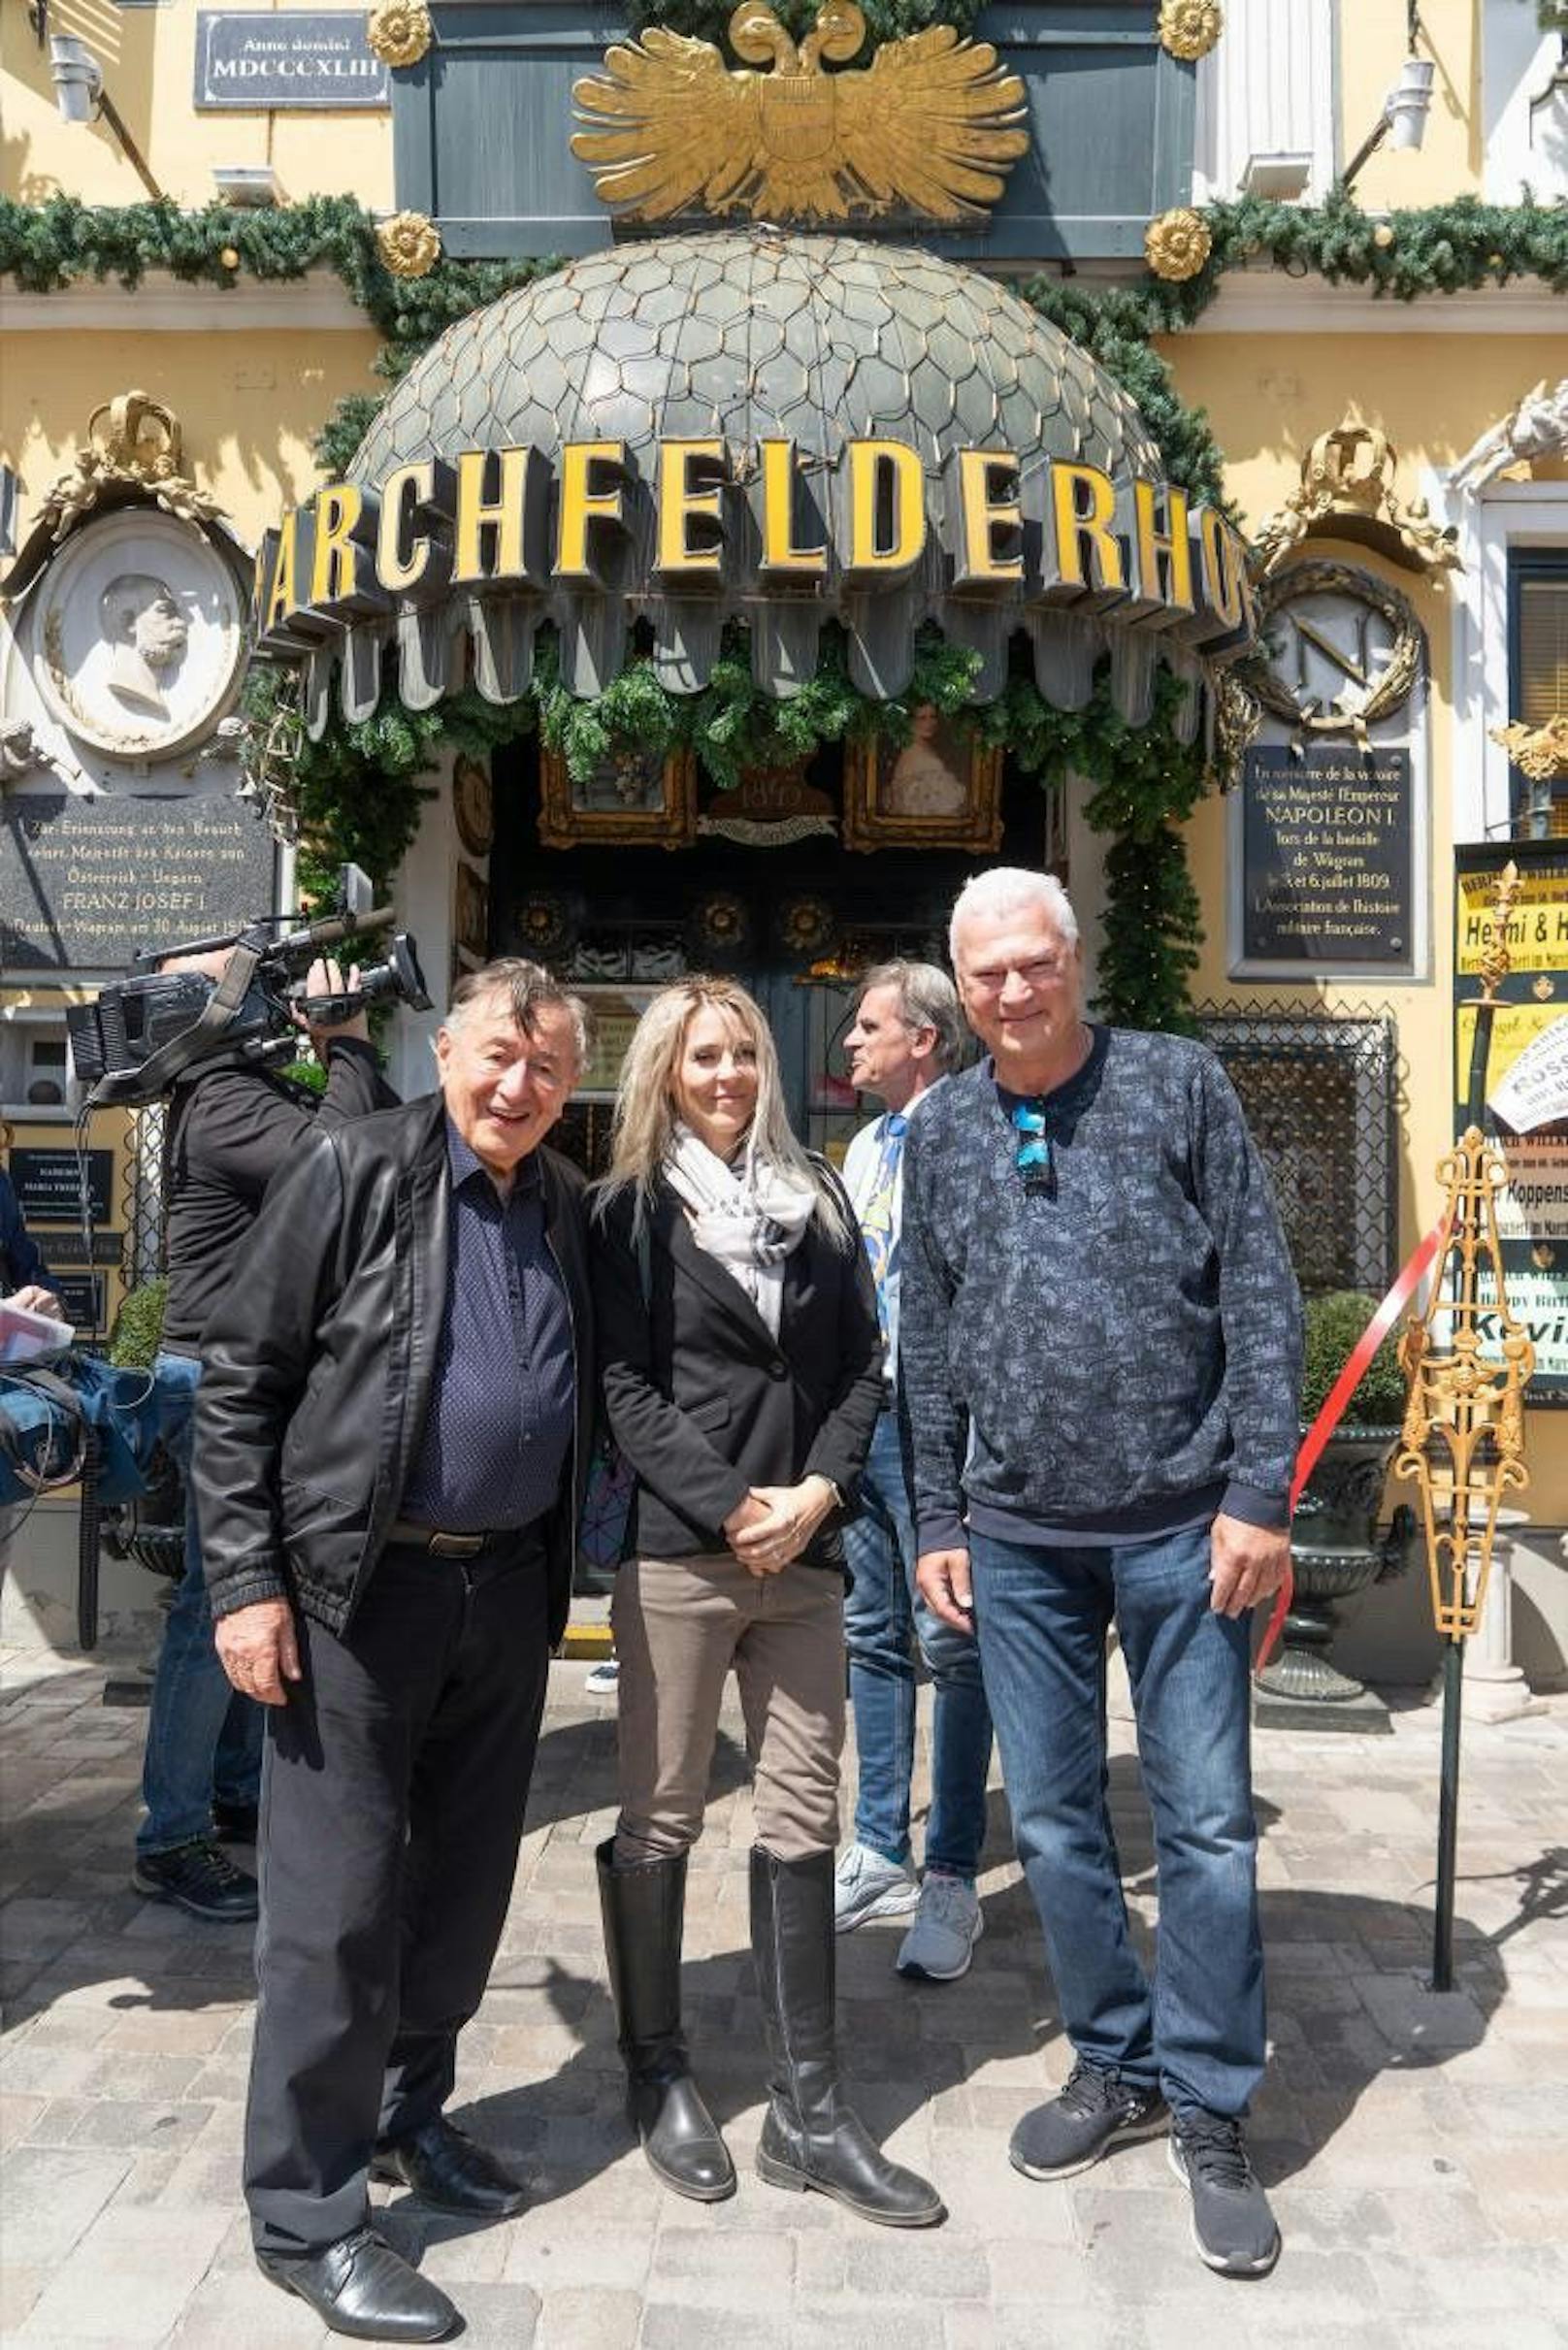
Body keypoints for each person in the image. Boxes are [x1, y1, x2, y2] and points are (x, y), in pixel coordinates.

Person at [901, 868, 1301, 2280]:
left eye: (1034, 964)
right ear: (963, 984)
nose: (1013, 991)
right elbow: (929, 1331)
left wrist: (1261, 1489)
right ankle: (1114, 2061)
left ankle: (1206, 2102)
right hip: (1016, 1541)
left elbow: (1258, 1282)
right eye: (988, 973)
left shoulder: (1177, 1084)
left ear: (1075, 962)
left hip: (1187, 1527)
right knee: (1063, 1825)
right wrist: (937, 1515)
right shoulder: (943, 1126)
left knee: (1202, 1825)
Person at [194, 958, 594, 2343]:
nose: (516, 1084)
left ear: (570, 1085)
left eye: (545, 1066)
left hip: (506, 1598)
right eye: (497, 1052)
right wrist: (246, 1582)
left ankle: (405, 2119)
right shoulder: (352, 1171)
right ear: (443, 1050)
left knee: (461, 1896)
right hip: (355, 1600)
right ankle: (305, 2215)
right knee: (338, 1910)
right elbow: (238, 1380)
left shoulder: (564, 1204)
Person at [591, 977, 944, 2229]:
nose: (730, 1073)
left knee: (802, 1810)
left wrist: (816, 1489)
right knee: (665, 1809)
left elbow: (862, 1365)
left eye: (744, 1051)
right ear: (663, 1073)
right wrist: (731, 1501)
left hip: (803, 1554)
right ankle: (659, 2072)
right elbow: (622, 1388)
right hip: (683, 1555)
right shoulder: (628, 1211)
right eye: (704, 1056)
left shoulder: (823, 1199)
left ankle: (808, 2109)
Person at [132, 954, 393, 1925]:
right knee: (215, 1608)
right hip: (217, 1382)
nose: (271, 1002)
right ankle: (170, 1837)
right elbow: (342, 1160)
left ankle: (232, 1790)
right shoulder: (226, 1100)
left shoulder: (241, 1091)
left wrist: (339, 1048)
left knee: (249, 1588)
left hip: (242, 1376)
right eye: (249, 990)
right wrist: (350, 1040)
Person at [834, 963, 993, 1981]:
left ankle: (951, 1873)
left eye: (867, 1025)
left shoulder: (974, 1132)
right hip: (862, 1416)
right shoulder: (861, 1144)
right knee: (869, 1632)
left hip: (943, 1426)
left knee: (956, 1640)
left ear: (923, 1038)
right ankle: (879, 1844)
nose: (850, 1041)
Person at [883, 704, 966, 819]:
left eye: (933, 716)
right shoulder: (914, 754)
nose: (930, 723)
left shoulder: (923, 746)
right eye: (922, 718)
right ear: (908, 721)